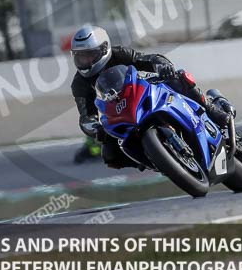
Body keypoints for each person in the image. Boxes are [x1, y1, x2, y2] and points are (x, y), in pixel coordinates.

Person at [70, 24, 233, 169]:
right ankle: (153, 158)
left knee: (178, 78)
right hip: (118, 113)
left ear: (103, 49)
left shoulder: (119, 54)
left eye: (90, 55)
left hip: (142, 91)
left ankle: (212, 110)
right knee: (110, 155)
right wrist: (95, 128)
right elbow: (85, 117)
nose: (86, 61)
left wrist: (163, 66)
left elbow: (150, 59)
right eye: (81, 56)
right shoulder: (79, 83)